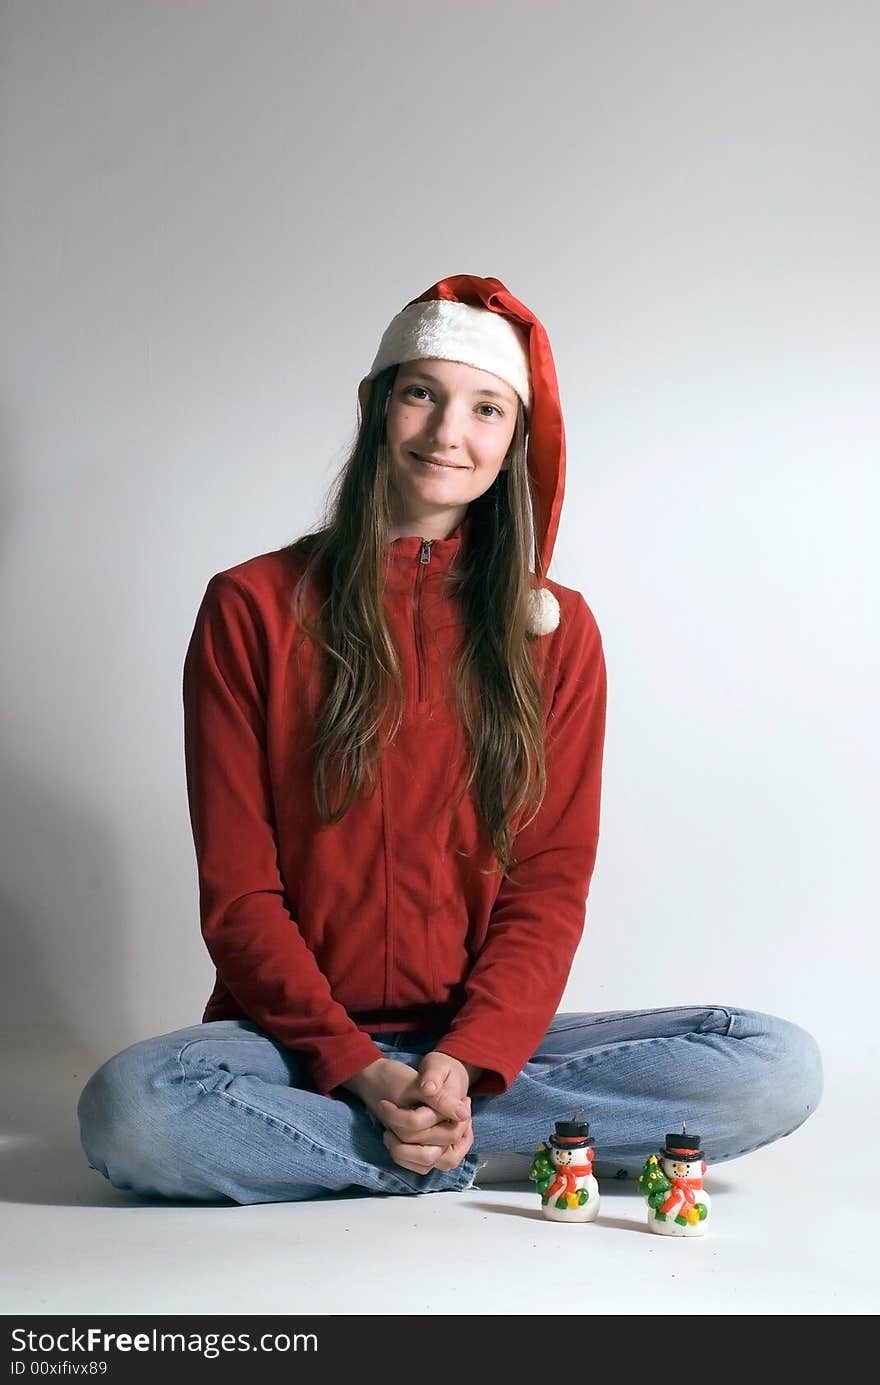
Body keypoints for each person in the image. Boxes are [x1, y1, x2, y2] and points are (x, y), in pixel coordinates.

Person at [76, 273, 822, 1205]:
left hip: (485, 1041)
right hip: (291, 1043)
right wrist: (356, 1064)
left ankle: (403, 1134)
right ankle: (483, 1145)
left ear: (513, 438)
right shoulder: (252, 607)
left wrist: (465, 1060)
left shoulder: (556, 629)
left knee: (773, 1065)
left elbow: (549, 881)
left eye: (485, 408)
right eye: (421, 393)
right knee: (134, 1110)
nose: (446, 434)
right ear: (376, 403)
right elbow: (239, 894)